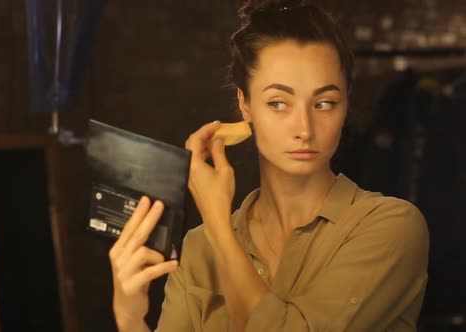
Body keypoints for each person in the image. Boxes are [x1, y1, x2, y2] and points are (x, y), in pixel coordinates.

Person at [108, 0, 429, 331]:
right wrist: (130, 317)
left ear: (345, 105)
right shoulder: (200, 247)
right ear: (245, 105)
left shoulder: (391, 227)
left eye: (324, 103)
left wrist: (217, 223)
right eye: (278, 103)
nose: (304, 128)